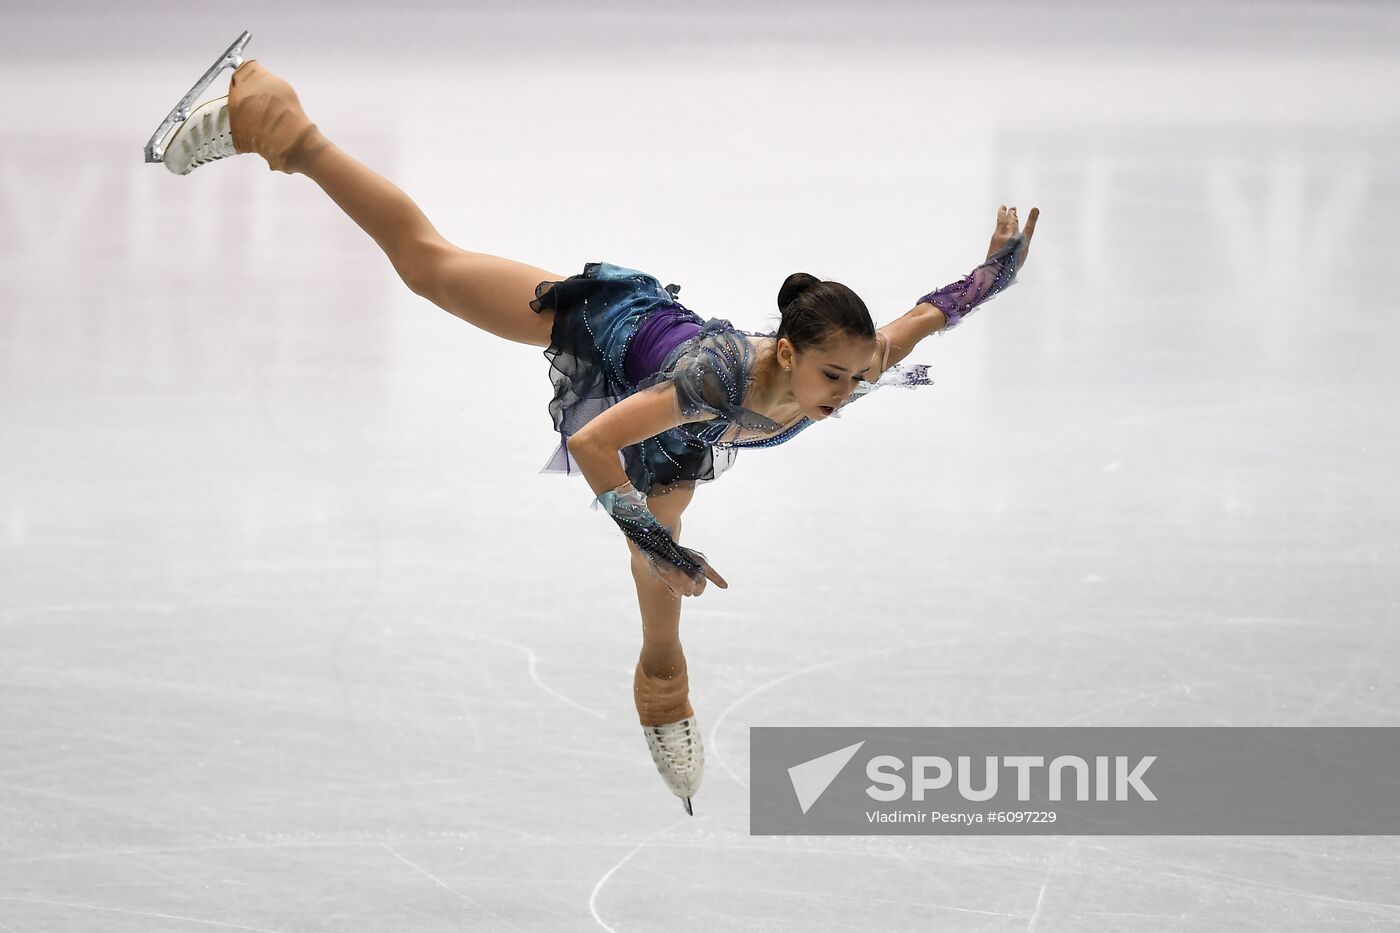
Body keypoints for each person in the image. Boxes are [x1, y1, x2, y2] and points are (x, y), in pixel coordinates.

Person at [157, 57, 1039, 816]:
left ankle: (662, 678)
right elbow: (591, 447)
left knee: (665, 538)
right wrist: (654, 539)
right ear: (786, 351)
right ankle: (280, 123)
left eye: (854, 377)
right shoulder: (714, 379)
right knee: (427, 266)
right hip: (612, 337)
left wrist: (992, 275)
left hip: (681, 434)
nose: (846, 395)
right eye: (832, 378)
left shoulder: (855, 362)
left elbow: (928, 315)